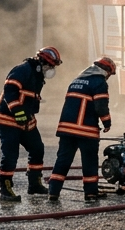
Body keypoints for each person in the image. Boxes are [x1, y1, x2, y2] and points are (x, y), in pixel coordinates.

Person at [0, 47, 61, 202]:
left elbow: (29, 97)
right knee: (10, 155)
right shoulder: (23, 70)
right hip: (8, 120)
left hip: (26, 120)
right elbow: (10, 90)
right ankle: (5, 189)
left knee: (37, 148)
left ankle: (34, 183)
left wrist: (27, 114)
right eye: (50, 66)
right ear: (42, 62)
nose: (51, 70)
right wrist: (18, 112)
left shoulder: (37, 75)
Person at [49, 56, 115, 202]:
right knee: (90, 162)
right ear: (106, 71)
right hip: (86, 130)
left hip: (66, 129)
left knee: (63, 160)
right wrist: (107, 123)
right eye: (110, 74)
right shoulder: (99, 82)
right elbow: (101, 106)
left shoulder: (76, 80)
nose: (109, 77)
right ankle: (91, 193)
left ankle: (53, 191)